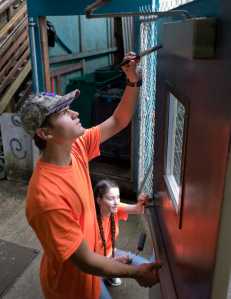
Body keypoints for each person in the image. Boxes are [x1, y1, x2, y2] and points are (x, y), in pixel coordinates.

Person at [19, 52, 161, 299]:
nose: (74, 113)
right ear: (45, 133)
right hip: (72, 288)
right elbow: (84, 261)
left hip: (95, 263)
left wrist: (132, 81)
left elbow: (118, 120)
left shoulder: (76, 146)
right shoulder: (45, 197)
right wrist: (136, 274)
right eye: (63, 113)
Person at [94, 179, 151, 287]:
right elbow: (88, 258)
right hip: (95, 264)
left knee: (147, 266)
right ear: (99, 200)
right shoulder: (91, 221)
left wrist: (142, 201)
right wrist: (114, 262)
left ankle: (110, 273)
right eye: (111, 198)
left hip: (111, 254)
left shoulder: (115, 207)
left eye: (118, 197)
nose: (116, 202)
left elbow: (137, 209)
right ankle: (107, 273)